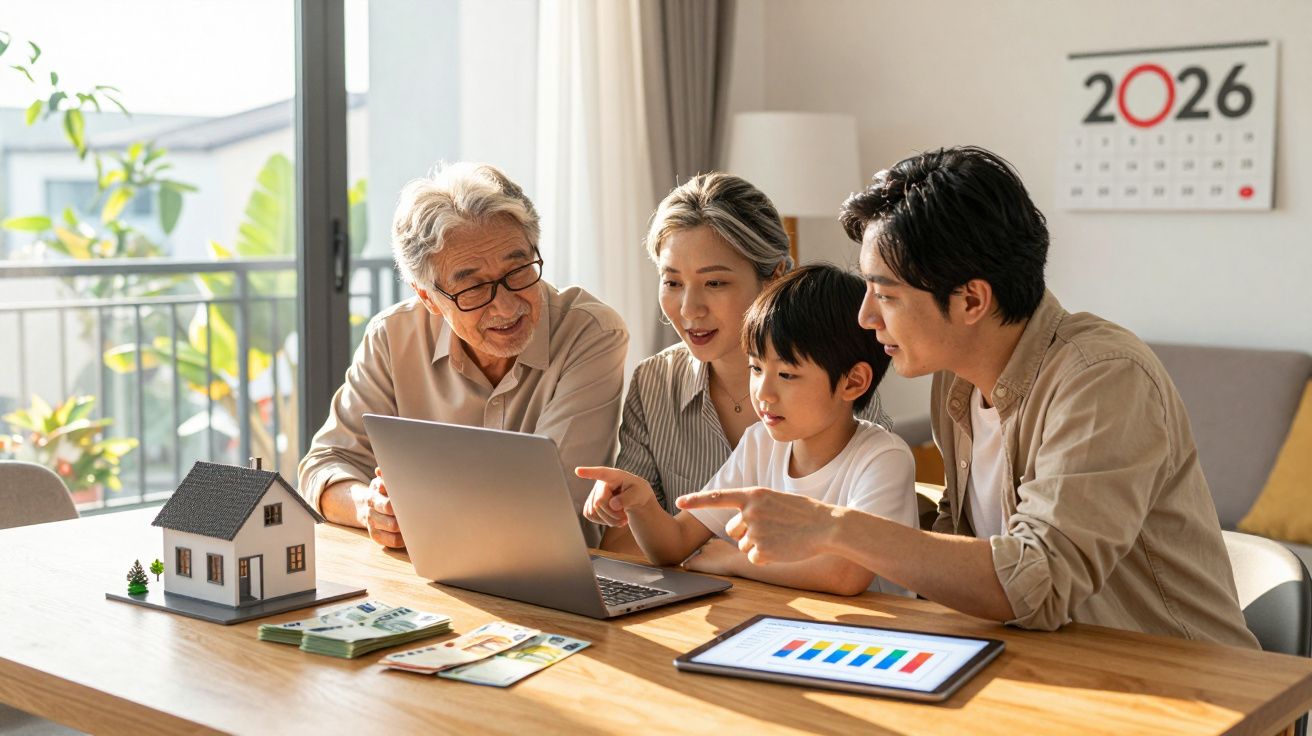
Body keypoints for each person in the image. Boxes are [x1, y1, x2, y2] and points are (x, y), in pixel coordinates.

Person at [679, 146, 1258, 648]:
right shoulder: (955, 380)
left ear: (972, 301)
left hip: (1179, 686)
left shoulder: (1102, 377)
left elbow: (1038, 582)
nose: (866, 317)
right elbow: (963, 543)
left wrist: (834, 527)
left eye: (886, 295)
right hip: (1037, 663)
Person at [297, 162, 628, 549]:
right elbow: (324, 465)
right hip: (418, 570)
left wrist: (426, 510)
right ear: (428, 298)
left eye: (518, 271)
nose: (507, 307)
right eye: (473, 288)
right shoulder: (393, 337)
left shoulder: (590, 333)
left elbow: (551, 502)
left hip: (546, 570)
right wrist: (368, 508)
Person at [578, 264, 917, 596]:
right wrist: (641, 503)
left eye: (787, 375)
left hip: (880, 629)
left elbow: (845, 575)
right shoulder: (760, 444)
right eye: (755, 368)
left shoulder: (883, 458)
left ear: (853, 382)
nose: (763, 393)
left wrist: (737, 561)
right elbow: (674, 546)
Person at [603, 172, 889, 553]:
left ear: (774, 277)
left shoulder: (833, 387)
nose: (689, 309)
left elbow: (861, 555)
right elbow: (624, 544)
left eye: (714, 283)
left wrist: (727, 563)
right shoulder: (654, 383)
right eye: (672, 283)